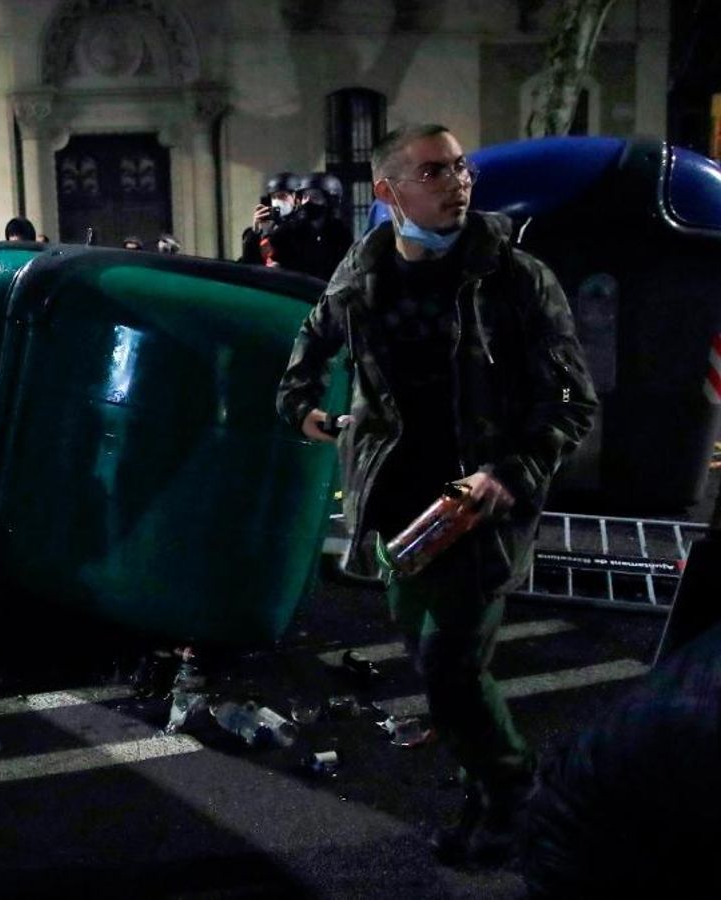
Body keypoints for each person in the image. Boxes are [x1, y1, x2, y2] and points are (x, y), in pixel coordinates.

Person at [275, 123, 597, 867]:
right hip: (395, 508)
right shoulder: (361, 273)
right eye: (433, 172)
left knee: (452, 666)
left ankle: (513, 801)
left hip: (478, 507)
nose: (457, 183)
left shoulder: (514, 278)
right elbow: (306, 350)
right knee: (434, 665)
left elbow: (573, 402)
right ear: (389, 192)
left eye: (458, 169)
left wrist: (506, 475)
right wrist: (310, 415)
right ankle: (486, 783)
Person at [240, 170, 351, 280]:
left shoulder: (341, 234)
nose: (307, 201)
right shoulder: (289, 230)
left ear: (330, 201)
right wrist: (255, 234)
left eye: (314, 197)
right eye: (304, 196)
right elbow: (253, 264)